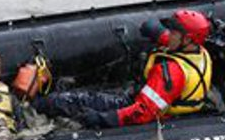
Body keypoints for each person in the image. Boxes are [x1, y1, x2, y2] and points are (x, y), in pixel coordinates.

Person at [34, 9, 212, 128]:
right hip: (145, 96)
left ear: (187, 39)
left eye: (174, 33)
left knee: (62, 101)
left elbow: (144, 112)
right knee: (87, 92)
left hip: (137, 107)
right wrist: (157, 32)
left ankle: (32, 109)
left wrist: (105, 118)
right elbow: (171, 42)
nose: (169, 35)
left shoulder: (171, 72)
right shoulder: (199, 52)